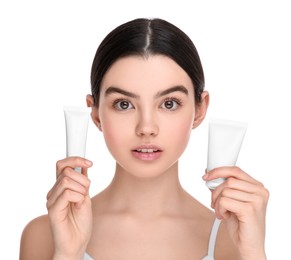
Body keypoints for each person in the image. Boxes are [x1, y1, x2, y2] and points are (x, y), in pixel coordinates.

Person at [19, 18, 269, 260]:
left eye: (169, 104)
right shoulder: (44, 236)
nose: (146, 128)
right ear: (95, 112)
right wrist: (67, 254)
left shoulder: (234, 239)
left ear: (199, 109)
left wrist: (254, 255)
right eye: (124, 104)